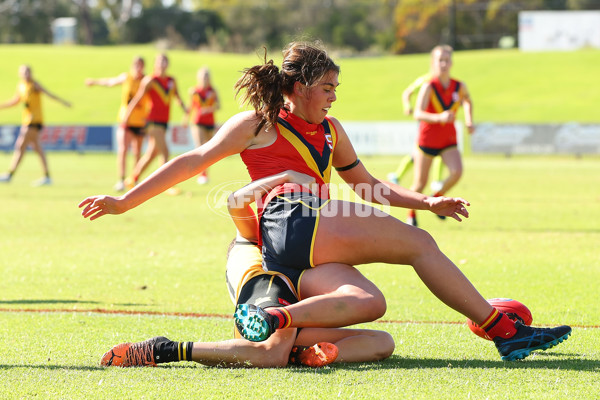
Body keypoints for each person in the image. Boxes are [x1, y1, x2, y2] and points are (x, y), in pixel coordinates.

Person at [79, 41, 571, 362]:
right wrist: (124, 201)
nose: (333, 96)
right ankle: (502, 330)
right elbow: (192, 159)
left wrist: (426, 199)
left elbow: (368, 185)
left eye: (336, 88)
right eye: (326, 87)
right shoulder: (259, 123)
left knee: (371, 305)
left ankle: (278, 325)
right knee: (419, 244)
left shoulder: (333, 131)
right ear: (297, 87)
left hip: (303, 246)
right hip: (290, 222)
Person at [97, 170, 395, 368]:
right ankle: (165, 349)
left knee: (383, 342)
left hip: (284, 314)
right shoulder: (255, 239)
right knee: (270, 354)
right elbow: (235, 201)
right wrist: (286, 177)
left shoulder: (299, 246)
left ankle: (304, 355)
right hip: (264, 289)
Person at [406, 45, 475, 227]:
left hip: (448, 140)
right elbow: (417, 114)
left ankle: (437, 196)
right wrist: (439, 117)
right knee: (420, 183)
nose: (443, 64)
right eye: (440, 60)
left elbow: (467, 100)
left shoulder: (459, 86)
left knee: (457, 172)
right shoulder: (429, 86)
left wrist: (469, 120)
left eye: (446, 60)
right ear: (433, 63)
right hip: (427, 139)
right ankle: (411, 214)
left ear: (451, 62)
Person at [122, 53, 188, 192]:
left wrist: (184, 108)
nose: (162, 63)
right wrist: (126, 117)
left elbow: (177, 96)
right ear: (155, 64)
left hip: (164, 122)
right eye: (159, 61)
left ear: (168, 64)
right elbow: (137, 99)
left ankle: (132, 179)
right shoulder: (150, 80)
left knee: (151, 154)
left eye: (165, 60)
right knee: (165, 151)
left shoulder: (172, 81)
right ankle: (167, 185)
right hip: (153, 121)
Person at [0, 65, 71, 186]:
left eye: (28, 72)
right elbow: (15, 101)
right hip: (26, 120)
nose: (26, 74)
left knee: (20, 145)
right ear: (20, 74)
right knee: (37, 148)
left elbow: (49, 94)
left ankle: (10, 174)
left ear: (31, 73)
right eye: (23, 72)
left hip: (34, 121)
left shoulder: (34, 85)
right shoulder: (21, 86)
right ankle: (47, 176)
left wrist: (63, 102)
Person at [85, 56, 148, 191]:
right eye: (136, 64)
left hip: (141, 120)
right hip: (126, 119)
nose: (138, 67)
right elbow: (110, 82)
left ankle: (134, 180)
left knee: (137, 152)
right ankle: (121, 179)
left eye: (141, 65)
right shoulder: (127, 78)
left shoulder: (146, 81)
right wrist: (95, 82)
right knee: (123, 150)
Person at [387, 72, 445, 193]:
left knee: (441, 151)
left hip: (441, 123)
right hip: (426, 122)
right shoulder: (426, 80)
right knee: (419, 153)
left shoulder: (447, 83)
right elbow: (407, 92)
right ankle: (397, 176)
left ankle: (437, 181)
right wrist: (407, 106)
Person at [189, 66, 220, 184]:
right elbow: (191, 106)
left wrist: (208, 109)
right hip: (197, 121)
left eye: (207, 76)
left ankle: (205, 173)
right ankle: (201, 174)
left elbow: (218, 106)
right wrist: (185, 118)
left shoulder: (213, 91)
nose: (205, 79)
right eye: (203, 76)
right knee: (200, 146)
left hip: (209, 122)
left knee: (208, 149)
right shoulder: (194, 91)